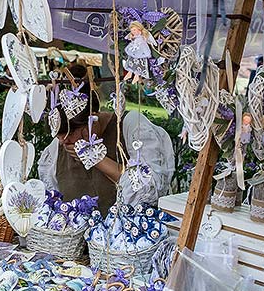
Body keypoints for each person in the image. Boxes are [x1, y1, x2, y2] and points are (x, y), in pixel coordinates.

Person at [38, 64, 174, 214]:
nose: (64, 142)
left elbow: (147, 192)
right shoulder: (56, 148)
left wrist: (98, 160)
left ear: (92, 119)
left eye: (71, 133)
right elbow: (52, 198)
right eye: (59, 136)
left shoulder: (131, 127)